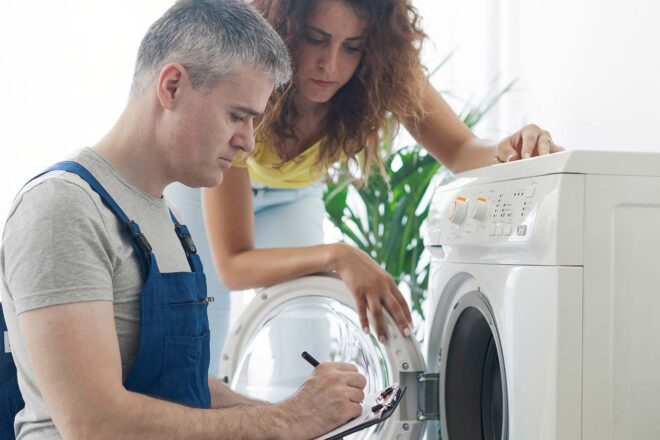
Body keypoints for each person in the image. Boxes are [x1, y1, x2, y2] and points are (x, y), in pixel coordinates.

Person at [0, 1, 367, 439]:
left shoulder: (168, 220)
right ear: (172, 86)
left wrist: (305, 414)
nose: (248, 143)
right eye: (237, 116)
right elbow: (93, 423)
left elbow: (179, 386)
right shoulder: (63, 208)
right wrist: (286, 421)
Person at [165, 0, 564, 375]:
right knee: (200, 328)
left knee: (307, 346)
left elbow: (460, 149)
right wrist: (340, 256)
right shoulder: (247, 68)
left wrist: (510, 148)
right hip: (203, 179)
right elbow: (234, 263)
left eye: (352, 47)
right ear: (285, 30)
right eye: (316, 39)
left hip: (293, 194)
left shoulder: (385, 74)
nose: (330, 65)